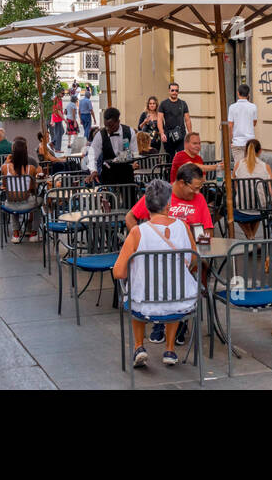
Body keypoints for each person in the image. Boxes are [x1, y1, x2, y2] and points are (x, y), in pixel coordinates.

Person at [114, 177, 200, 369]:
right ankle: (169, 349)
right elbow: (194, 260)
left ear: (146, 205)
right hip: (180, 301)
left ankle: (139, 347)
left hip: (145, 306)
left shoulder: (137, 232)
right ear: (169, 204)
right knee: (169, 285)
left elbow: (119, 272)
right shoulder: (183, 227)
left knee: (137, 291)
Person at [125, 163, 211, 346]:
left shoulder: (199, 199)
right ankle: (164, 320)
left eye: (199, 188)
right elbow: (130, 217)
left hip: (183, 260)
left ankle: (176, 320)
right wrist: (141, 242)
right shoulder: (160, 196)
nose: (197, 193)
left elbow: (206, 230)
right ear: (181, 183)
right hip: (156, 262)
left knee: (186, 269)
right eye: (194, 188)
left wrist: (199, 241)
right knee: (166, 272)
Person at [1, 137, 42, 243]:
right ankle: (33, 233)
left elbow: (5, 186)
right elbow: (33, 188)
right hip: (27, 204)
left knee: (13, 198)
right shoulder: (31, 168)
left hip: (10, 204)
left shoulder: (5, 168)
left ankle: (16, 234)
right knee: (40, 202)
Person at [232, 139, 272, 239]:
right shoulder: (266, 167)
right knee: (259, 200)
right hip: (261, 209)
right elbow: (270, 192)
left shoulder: (238, 165)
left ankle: (250, 236)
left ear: (245, 150)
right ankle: (251, 236)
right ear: (260, 151)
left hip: (242, 208)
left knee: (227, 209)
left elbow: (234, 186)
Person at [85, 107, 134, 185]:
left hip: (127, 174)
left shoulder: (129, 132)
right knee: (109, 196)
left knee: (129, 196)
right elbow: (92, 155)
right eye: (106, 126)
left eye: (111, 126)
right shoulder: (100, 135)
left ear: (118, 122)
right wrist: (93, 170)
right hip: (108, 174)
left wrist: (134, 162)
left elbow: (134, 152)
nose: (108, 129)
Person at [159, 83, 191, 176]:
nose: (174, 92)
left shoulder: (183, 103)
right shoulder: (163, 104)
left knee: (182, 159)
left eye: (176, 90)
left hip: (181, 135)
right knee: (170, 160)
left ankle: (182, 179)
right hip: (168, 136)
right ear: (169, 91)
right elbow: (160, 119)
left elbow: (187, 120)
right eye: (172, 90)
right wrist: (162, 133)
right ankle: (170, 180)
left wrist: (190, 134)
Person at [227, 83, 258, 161]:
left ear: (238, 93)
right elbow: (254, 123)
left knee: (238, 167)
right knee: (250, 166)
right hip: (250, 142)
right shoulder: (253, 107)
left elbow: (230, 126)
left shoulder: (232, 107)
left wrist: (230, 140)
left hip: (237, 142)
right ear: (248, 95)